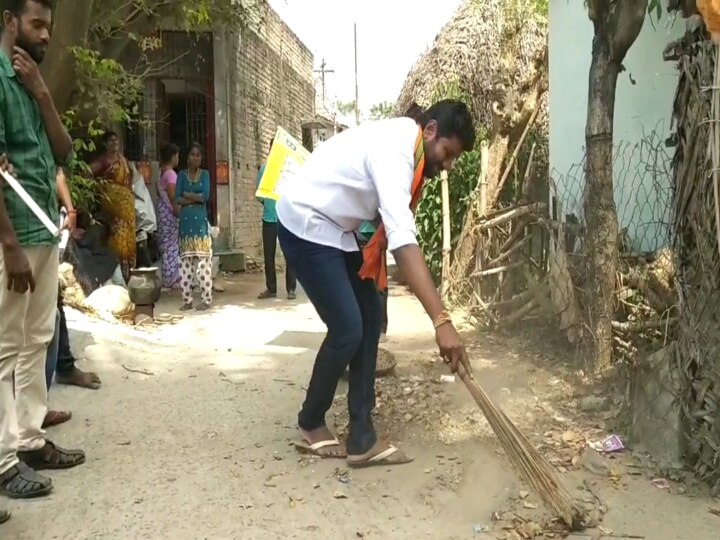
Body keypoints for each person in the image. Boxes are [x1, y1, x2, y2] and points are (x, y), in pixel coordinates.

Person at [276, 99, 475, 466]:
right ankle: (311, 421)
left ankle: (362, 436)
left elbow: (399, 233)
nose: (447, 165)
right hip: (305, 221)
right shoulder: (396, 152)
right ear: (429, 131)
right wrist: (441, 321)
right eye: (447, 153)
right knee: (348, 328)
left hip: (336, 227)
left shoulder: (410, 153)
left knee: (369, 314)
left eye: (452, 159)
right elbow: (402, 241)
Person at [0, 0, 86, 504]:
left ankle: (29, 440)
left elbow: (64, 152)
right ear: (10, 22)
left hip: (41, 231)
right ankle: (4, 460)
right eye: (36, 24)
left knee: (37, 340)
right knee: (6, 348)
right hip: (12, 239)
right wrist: (9, 246)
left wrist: (43, 92)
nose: (46, 35)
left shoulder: (29, 84)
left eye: (49, 27)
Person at [91, 130, 136, 282]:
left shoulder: (124, 161)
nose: (114, 143)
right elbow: (87, 172)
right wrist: (101, 189)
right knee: (116, 243)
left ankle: (128, 277)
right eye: (110, 141)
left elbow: (130, 179)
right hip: (113, 211)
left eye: (116, 141)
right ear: (105, 144)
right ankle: (117, 278)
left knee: (129, 243)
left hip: (127, 209)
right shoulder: (103, 161)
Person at [257, 140, 297, 300]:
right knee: (268, 255)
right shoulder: (264, 170)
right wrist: (268, 204)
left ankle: (291, 289)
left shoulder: (289, 173)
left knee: (290, 254)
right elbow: (260, 194)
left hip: (287, 218)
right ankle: (271, 288)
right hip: (269, 218)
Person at [176, 142, 212, 311]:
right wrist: (195, 197)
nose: (195, 157)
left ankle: (206, 299)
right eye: (193, 154)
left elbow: (205, 196)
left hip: (200, 226)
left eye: (198, 155)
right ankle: (187, 300)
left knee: (204, 264)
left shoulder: (205, 175)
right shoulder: (181, 175)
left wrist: (188, 195)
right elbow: (177, 198)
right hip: (185, 225)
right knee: (185, 265)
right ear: (188, 157)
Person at [358, 221, 388, 339]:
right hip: (355, 237)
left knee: (379, 284)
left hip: (375, 238)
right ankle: (366, 326)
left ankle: (380, 328)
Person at [156, 143, 181, 290]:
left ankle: (168, 276)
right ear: (172, 157)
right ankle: (172, 277)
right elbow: (172, 196)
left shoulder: (161, 172)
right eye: (177, 156)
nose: (178, 159)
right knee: (171, 245)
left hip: (162, 212)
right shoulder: (171, 174)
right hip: (169, 213)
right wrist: (178, 211)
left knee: (166, 245)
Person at [131, 161, 158, 268]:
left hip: (143, 228)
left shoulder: (137, 187)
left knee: (146, 266)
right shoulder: (139, 187)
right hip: (146, 227)